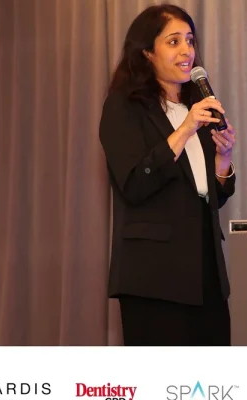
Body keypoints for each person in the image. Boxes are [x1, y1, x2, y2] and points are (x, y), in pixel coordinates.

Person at [98, 4, 237, 346]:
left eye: (189, 40)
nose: (187, 51)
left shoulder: (195, 108)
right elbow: (135, 183)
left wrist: (223, 160)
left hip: (206, 275)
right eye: (173, 41)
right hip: (154, 279)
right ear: (147, 52)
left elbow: (209, 197)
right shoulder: (124, 107)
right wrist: (185, 130)